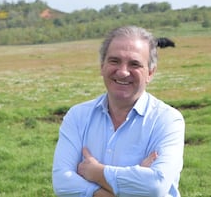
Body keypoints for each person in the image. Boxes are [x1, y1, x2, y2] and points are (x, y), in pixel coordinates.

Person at [52, 26, 185, 197]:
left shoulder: (168, 120)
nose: (122, 72)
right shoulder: (77, 116)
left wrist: (96, 173)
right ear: (102, 66)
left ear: (150, 73)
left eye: (134, 64)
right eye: (114, 61)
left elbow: (155, 185)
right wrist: (134, 181)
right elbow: (62, 183)